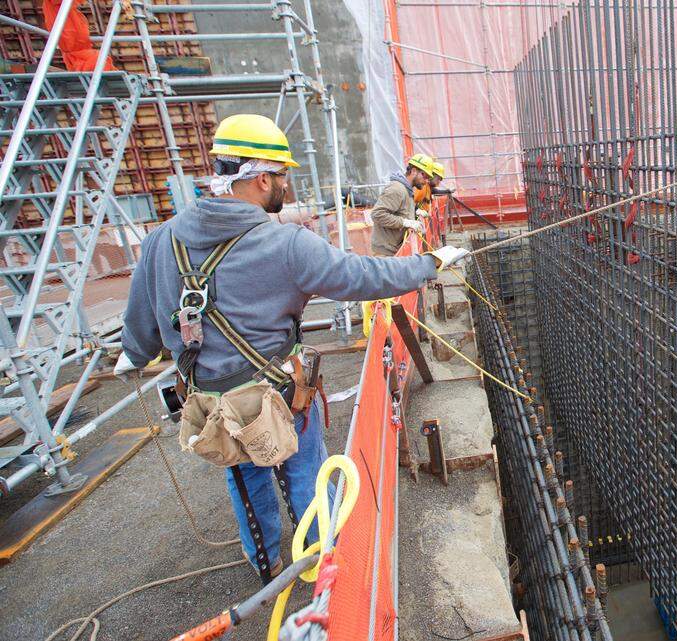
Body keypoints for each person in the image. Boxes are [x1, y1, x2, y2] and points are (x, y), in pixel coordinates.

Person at [114, 114, 469, 583]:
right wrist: (428, 263)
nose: (286, 186)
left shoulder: (161, 241)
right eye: (283, 176)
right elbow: (364, 277)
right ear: (262, 178)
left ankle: (266, 562)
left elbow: (140, 325)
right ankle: (326, 570)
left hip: (211, 404)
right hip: (278, 394)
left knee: (243, 475)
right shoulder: (283, 243)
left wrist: (133, 355)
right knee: (303, 470)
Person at [372, 154, 434, 256]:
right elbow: (377, 214)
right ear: (414, 171)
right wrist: (405, 222)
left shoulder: (407, 190)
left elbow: (401, 210)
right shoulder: (397, 189)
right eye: (425, 176)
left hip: (396, 251)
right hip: (386, 255)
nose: (427, 181)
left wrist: (415, 213)